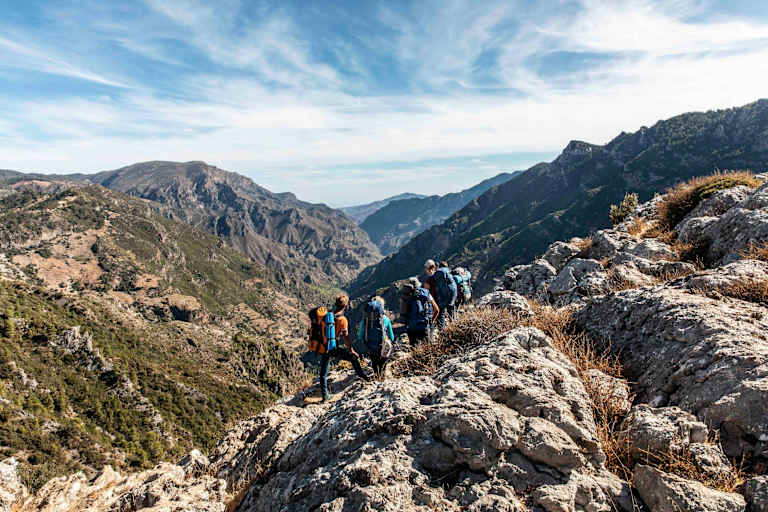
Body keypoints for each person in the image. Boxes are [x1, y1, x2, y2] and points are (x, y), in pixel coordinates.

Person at [309, 294, 371, 402]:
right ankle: (364, 378)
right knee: (353, 358)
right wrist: (351, 350)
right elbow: (345, 337)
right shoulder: (342, 319)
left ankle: (325, 397)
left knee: (323, 373)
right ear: (346, 305)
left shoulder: (327, 315)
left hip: (324, 347)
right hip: (333, 347)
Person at [358, 296, 395, 378]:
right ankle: (382, 376)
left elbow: (360, 336)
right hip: (382, 345)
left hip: (370, 345)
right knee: (383, 361)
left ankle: (376, 375)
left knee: (374, 362)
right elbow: (391, 337)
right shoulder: (386, 320)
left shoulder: (365, 320)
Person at [423, 259, 457, 333]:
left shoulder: (429, 279)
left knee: (440, 317)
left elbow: (426, 293)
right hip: (446, 298)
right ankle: (455, 329)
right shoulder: (440, 275)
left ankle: (443, 333)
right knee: (450, 314)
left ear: (427, 269)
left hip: (436, 301)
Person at [405, 278, 439, 346]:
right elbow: (437, 310)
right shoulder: (426, 293)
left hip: (412, 328)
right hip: (424, 325)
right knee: (428, 348)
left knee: (414, 349)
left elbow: (404, 313)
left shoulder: (407, 295)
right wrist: (431, 321)